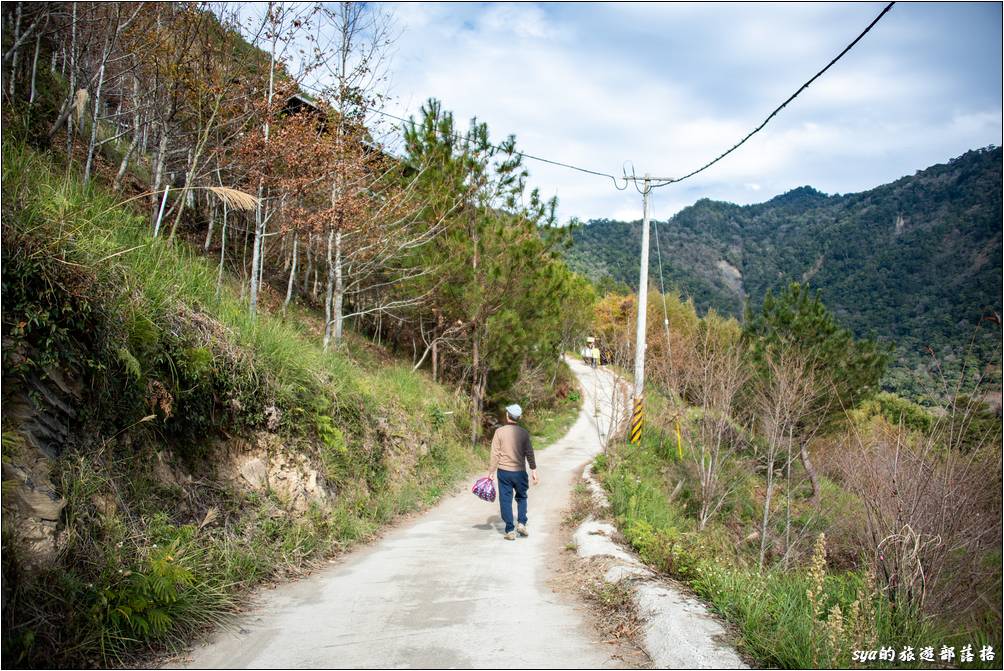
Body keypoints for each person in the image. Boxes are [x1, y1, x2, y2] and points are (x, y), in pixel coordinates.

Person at [486, 403, 538, 540]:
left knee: (505, 500)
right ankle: (521, 523)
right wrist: (533, 470)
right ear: (519, 417)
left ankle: (510, 530)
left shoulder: (499, 432)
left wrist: (491, 471)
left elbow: (495, 453)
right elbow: (529, 453)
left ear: (507, 415)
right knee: (522, 497)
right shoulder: (524, 433)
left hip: (504, 472)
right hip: (520, 472)